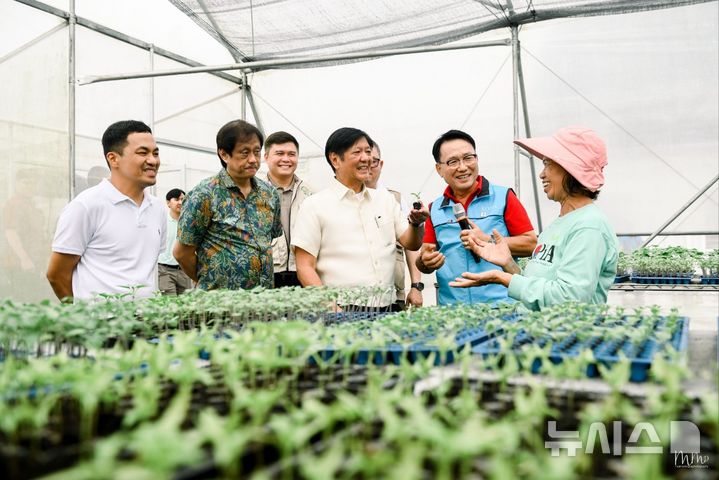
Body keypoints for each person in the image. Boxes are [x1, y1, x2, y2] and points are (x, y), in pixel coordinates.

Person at [450, 126, 619, 311]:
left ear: (570, 170)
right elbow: (540, 287)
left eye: (548, 164)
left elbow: (569, 299)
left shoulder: (589, 227)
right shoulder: (563, 221)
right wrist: (509, 264)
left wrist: (505, 279)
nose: (542, 173)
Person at [292, 127, 429, 309]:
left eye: (368, 151)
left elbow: (411, 243)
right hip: (342, 309)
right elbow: (304, 267)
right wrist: (332, 309)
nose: (366, 158)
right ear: (335, 159)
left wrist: (417, 223)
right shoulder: (314, 205)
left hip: (388, 308)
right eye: (357, 152)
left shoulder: (385, 199)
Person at [46, 120, 166, 302]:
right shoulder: (86, 206)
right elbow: (57, 274)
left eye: (155, 153)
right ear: (113, 158)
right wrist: (82, 316)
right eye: (143, 153)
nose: (153, 160)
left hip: (148, 322)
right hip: (102, 326)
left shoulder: (157, 208)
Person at [416, 129, 537, 305]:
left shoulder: (504, 197)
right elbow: (425, 258)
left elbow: (531, 243)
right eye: (453, 161)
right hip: (453, 310)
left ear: (477, 159)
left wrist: (488, 240)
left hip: (501, 306)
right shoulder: (434, 209)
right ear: (439, 169)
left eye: (468, 158)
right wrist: (424, 261)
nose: (463, 167)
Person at [174, 119, 282, 290]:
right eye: (244, 153)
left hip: (263, 300)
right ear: (224, 154)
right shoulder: (204, 194)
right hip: (221, 302)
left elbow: (270, 238)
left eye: (257, 152)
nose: (253, 159)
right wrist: (208, 279)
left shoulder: (269, 194)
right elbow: (182, 253)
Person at [365, 141, 424, 310]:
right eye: (363, 161)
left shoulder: (394, 199)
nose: (368, 166)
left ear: (381, 164)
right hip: (356, 298)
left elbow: (411, 247)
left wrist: (416, 286)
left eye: (373, 161)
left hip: (393, 294)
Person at [263, 131, 313, 288]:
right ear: (266, 157)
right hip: (267, 273)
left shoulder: (311, 193)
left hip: (303, 272)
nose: (286, 159)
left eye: (291, 154)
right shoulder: (255, 192)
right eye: (279, 153)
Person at [157, 188, 193, 295]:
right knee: (170, 305)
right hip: (165, 271)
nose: (180, 202)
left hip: (184, 271)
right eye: (177, 199)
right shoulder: (161, 221)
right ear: (168, 203)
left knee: (186, 306)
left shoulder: (189, 223)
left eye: (183, 199)